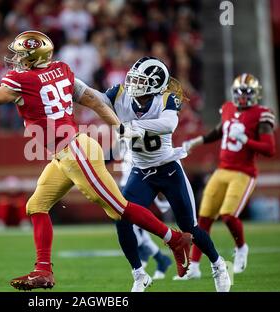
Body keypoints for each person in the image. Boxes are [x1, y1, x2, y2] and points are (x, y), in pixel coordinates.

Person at [0, 30, 192, 291]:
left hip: (76, 151)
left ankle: (175, 239)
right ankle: (43, 270)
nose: (15, 60)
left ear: (34, 56)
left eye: (20, 55)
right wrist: (118, 126)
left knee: (119, 207)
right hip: (65, 153)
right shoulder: (61, 69)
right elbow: (95, 102)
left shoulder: (22, 80)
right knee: (36, 205)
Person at [96, 57, 231, 292]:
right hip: (140, 172)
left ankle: (218, 265)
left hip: (168, 169)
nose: (133, 84)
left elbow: (168, 124)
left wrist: (132, 128)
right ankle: (139, 275)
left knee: (189, 226)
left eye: (140, 80)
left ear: (155, 84)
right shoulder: (119, 93)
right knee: (121, 218)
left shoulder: (167, 98)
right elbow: (94, 99)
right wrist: (73, 87)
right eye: (134, 78)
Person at [182, 73, 276, 278]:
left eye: (247, 92)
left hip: (243, 172)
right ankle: (195, 266)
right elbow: (218, 131)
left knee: (228, 215)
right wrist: (195, 142)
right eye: (239, 92)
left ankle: (241, 248)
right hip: (222, 170)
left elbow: (270, 149)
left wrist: (246, 140)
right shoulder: (227, 108)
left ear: (256, 94)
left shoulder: (262, 114)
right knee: (203, 218)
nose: (242, 96)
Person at [115, 137, 172, 290]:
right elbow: (117, 153)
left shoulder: (136, 127)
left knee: (133, 228)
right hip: (126, 183)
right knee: (133, 227)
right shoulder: (121, 131)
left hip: (136, 183)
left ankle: (155, 258)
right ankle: (160, 259)